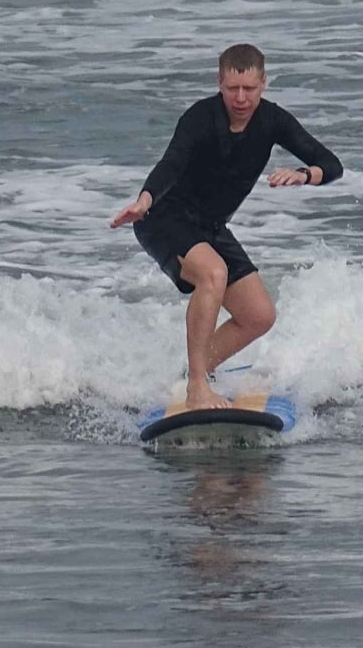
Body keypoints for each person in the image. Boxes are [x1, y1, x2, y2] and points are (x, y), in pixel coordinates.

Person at [110, 44, 342, 409]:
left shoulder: (273, 121)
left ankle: (190, 372)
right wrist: (144, 200)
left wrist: (304, 175)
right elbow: (171, 163)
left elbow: (330, 163)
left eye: (249, 89)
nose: (240, 97)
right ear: (219, 82)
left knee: (259, 316)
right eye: (232, 88)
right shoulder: (200, 118)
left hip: (211, 227)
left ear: (263, 84)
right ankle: (198, 387)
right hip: (164, 218)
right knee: (213, 274)